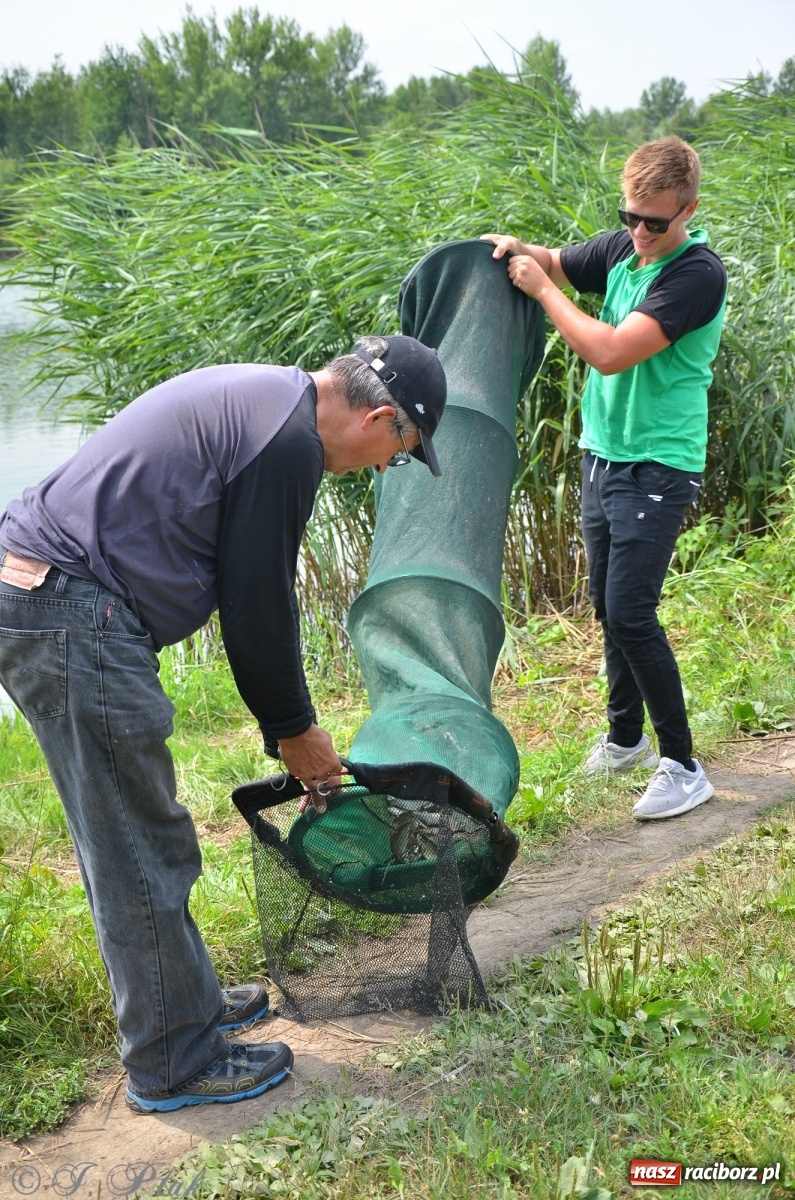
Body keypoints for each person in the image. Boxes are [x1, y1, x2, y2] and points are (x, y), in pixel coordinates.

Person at [0, 333, 447, 1113]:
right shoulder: (288, 445)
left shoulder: (271, 397)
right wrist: (296, 732)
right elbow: (257, 609)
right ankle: (173, 1062)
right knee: (137, 845)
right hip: (68, 611)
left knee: (143, 833)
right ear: (380, 416)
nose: (384, 466)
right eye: (400, 450)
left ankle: (186, 1006)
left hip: (51, 594)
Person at [482, 136, 727, 821]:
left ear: (688, 211)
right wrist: (510, 251)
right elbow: (554, 263)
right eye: (630, 217)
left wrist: (542, 293)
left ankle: (682, 763)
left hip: (658, 462)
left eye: (656, 222)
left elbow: (610, 352)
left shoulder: (694, 274)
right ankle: (625, 739)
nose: (640, 234)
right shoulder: (623, 248)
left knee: (630, 610)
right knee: (604, 603)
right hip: (603, 454)